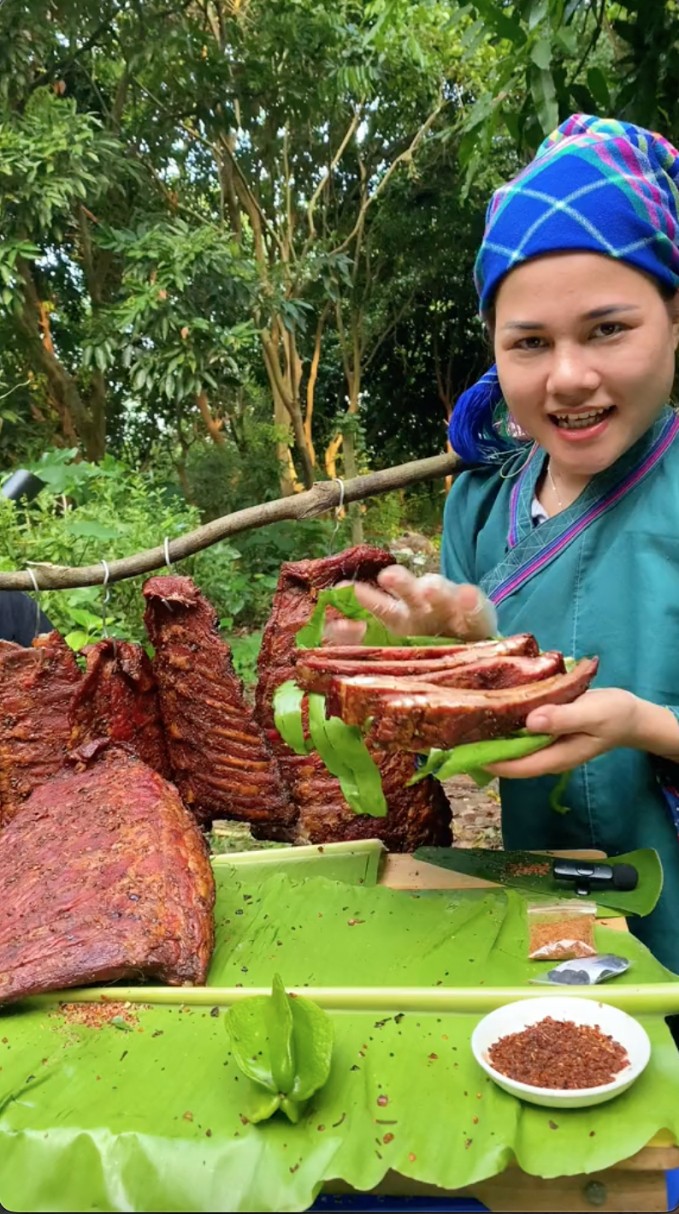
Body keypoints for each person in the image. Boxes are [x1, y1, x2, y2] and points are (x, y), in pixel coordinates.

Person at [329, 114, 679, 974]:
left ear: (673, 319)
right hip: (546, 907)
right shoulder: (481, 503)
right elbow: (489, 713)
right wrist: (441, 662)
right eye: (529, 343)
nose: (566, 375)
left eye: (607, 329)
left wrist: (641, 724)